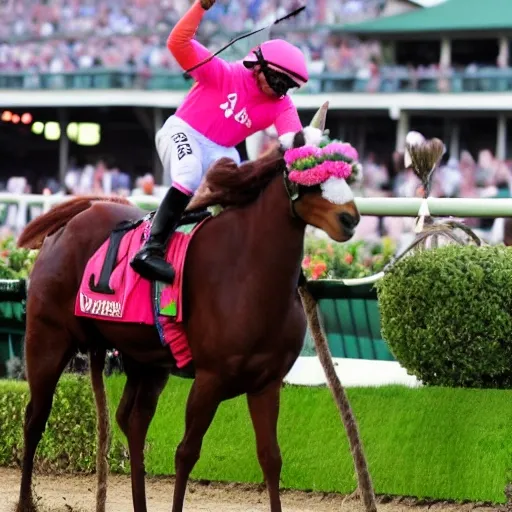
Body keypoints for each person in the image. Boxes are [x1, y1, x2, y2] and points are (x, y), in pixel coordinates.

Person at [130, 0, 310, 284]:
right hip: (183, 130)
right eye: (278, 82)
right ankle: (150, 248)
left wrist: (314, 161)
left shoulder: (282, 105)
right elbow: (178, 43)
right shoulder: (224, 73)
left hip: (221, 150)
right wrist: (200, 7)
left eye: (288, 86)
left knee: (244, 189)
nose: (281, 91)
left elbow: (297, 147)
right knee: (188, 171)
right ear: (259, 67)